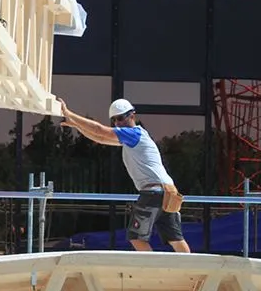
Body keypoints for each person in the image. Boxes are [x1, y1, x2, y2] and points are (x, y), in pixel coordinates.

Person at [59, 97, 191, 253]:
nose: (118, 123)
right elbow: (100, 138)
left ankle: (152, 273)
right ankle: (193, 275)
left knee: (136, 237)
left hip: (154, 193)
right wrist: (76, 125)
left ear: (132, 116)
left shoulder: (134, 134)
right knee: (175, 238)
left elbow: (100, 130)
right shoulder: (133, 138)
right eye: (114, 120)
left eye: (121, 118)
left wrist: (70, 114)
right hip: (168, 192)